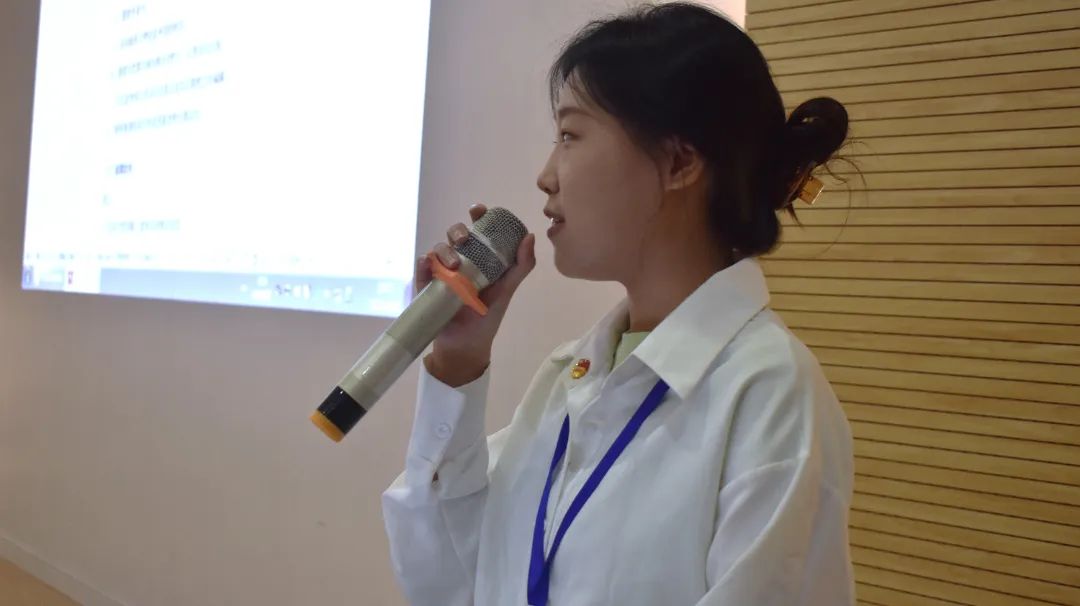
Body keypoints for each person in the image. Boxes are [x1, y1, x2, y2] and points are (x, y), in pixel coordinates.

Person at [382, 3, 855, 604]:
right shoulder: (571, 378)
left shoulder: (769, 394)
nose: (545, 175)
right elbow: (448, 580)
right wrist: (457, 363)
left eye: (570, 135)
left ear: (679, 162)